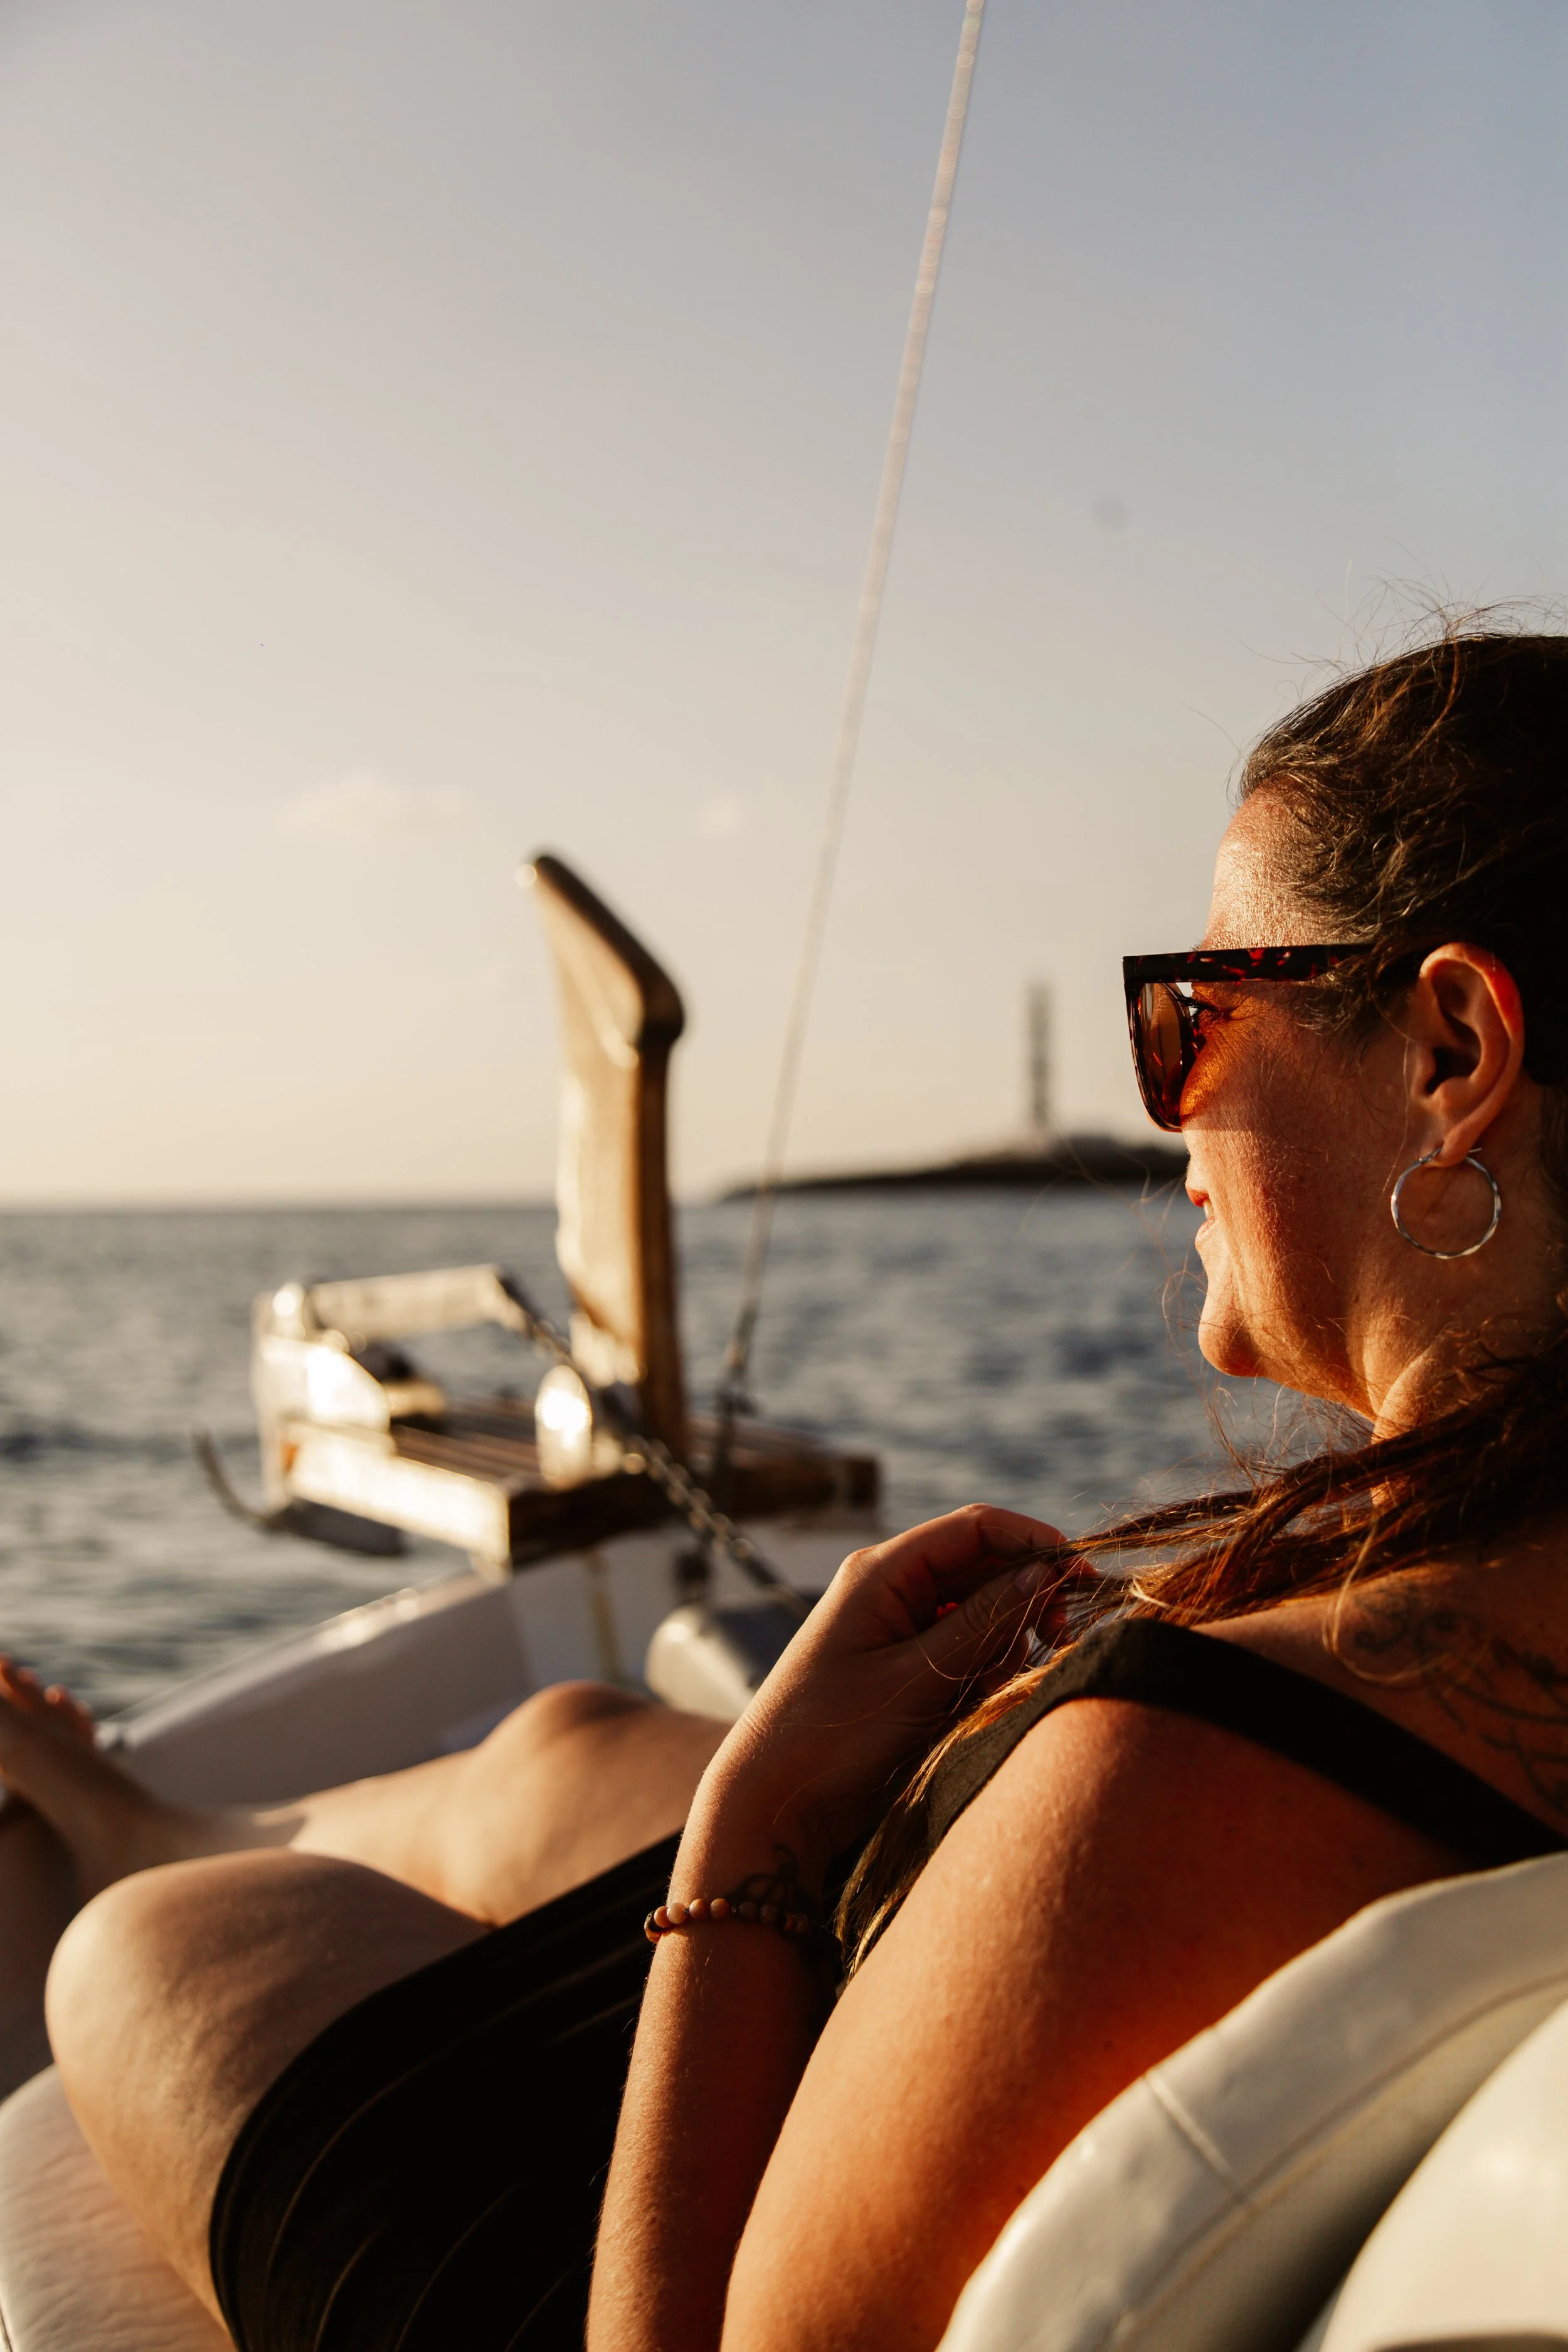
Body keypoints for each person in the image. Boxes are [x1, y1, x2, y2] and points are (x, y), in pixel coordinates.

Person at [8, 622, 1568, 2352]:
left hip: (654, 2249)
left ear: (1446, 1051)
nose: (1166, 1113)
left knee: (150, 1950)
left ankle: (139, 1838)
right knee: (568, 1739)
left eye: (1191, 1017)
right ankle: (157, 1805)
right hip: (925, 2033)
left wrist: (756, 1838)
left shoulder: (1172, 1774)